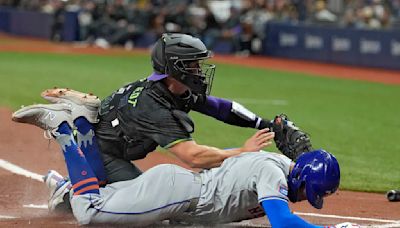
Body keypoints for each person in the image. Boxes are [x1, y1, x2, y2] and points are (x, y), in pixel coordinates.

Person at [14, 33, 312, 212]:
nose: (200, 70)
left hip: (111, 139)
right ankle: (67, 190)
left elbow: (222, 108)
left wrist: (265, 124)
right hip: (104, 152)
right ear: (174, 69)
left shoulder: (172, 89)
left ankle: (67, 178)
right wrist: (242, 153)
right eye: (193, 64)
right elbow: (194, 157)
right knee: (145, 207)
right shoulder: (155, 107)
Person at [12, 102, 352, 227]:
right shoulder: (273, 173)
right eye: (310, 191)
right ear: (302, 174)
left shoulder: (281, 166)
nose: (307, 197)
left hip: (179, 201)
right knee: (91, 214)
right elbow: (281, 221)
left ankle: (78, 144)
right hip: (178, 194)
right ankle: (64, 130)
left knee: (102, 199)